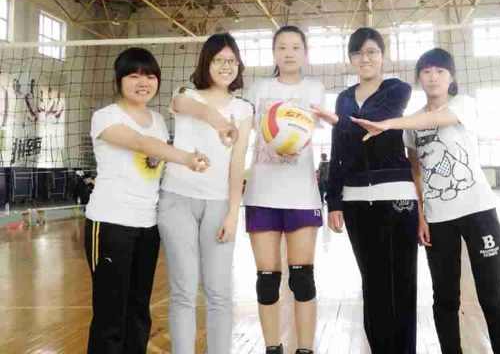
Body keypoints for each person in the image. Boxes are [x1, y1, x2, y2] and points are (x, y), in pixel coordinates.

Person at [353, 48, 500, 354]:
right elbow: (416, 172)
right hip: (438, 219)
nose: (433, 77)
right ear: (419, 78)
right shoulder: (412, 124)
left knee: (492, 297)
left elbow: (437, 118)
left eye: (440, 71)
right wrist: (421, 217)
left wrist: (389, 123)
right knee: (445, 298)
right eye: (426, 71)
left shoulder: (463, 104)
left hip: (479, 212)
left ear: (451, 77)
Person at [85, 48, 210, 354]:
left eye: (150, 76)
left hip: (147, 225)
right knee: (110, 313)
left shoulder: (157, 119)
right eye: (134, 75)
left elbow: (157, 163)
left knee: (138, 309)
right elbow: (141, 143)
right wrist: (186, 158)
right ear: (119, 80)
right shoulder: (105, 117)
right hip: (110, 223)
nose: (143, 82)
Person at [313, 27, 420, 354]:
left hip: (397, 196)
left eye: (372, 51)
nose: (365, 58)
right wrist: (334, 200)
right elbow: (339, 149)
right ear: (351, 59)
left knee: (402, 283)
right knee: (373, 284)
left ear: (383, 56)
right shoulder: (344, 98)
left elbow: (374, 122)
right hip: (357, 200)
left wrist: (336, 120)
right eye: (358, 53)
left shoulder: (397, 89)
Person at [158, 33, 253, 354]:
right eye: (218, 60)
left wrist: (232, 213)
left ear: (238, 65)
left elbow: (237, 164)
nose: (226, 66)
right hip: (177, 200)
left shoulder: (243, 109)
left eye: (231, 60)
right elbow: (186, 107)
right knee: (183, 292)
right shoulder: (185, 94)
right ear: (206, 63)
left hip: (219, 205)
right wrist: (219, 122)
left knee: (219, 293)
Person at [244, 26, 325, 354]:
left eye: (295, 47)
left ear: (305, 53)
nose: (288, 53)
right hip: (261, 194)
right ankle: (272, 348)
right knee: (267, 280)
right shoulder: (258, 88)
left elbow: (310, 128)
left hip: (301, 195)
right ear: (273, 53)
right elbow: (241, 128)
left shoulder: (314, 88)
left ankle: (305, 349)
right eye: (281, 47)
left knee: (302, 279)